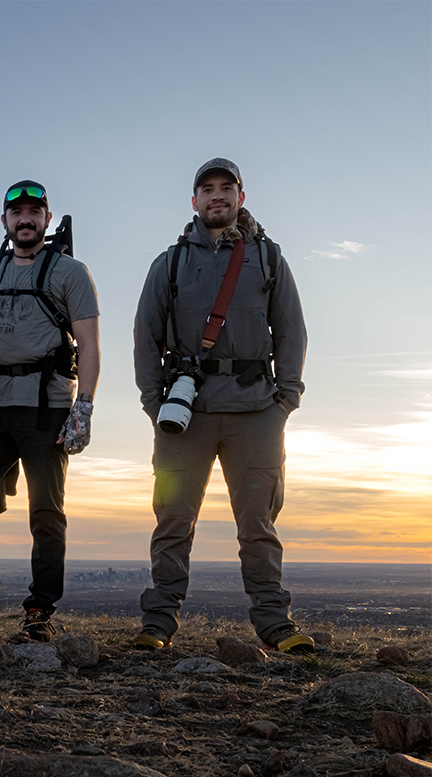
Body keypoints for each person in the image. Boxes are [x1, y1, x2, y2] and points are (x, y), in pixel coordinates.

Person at [131, 158, 314, 654]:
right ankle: (159, 624)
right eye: (207, 189)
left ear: (241, 197)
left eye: (226, 188)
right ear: (194, 201)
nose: (217, 196)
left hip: (257, 411)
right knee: (172, 519)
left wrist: (286, 399)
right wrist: (155, 403)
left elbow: (291, 329)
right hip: (184, 416)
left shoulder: (268, 258)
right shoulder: (169, 263)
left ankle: (276, 625)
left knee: (258, 523)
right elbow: (145, 337)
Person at [0, 180, 100, 642]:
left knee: (46, 512)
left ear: (47, 219)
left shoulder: (70, 272)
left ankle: (40, 611)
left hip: (46, 408)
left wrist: (83, 407)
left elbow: (88, 342)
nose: (26, 219)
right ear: (5, 221)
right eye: (17, 213)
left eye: (35, 211)